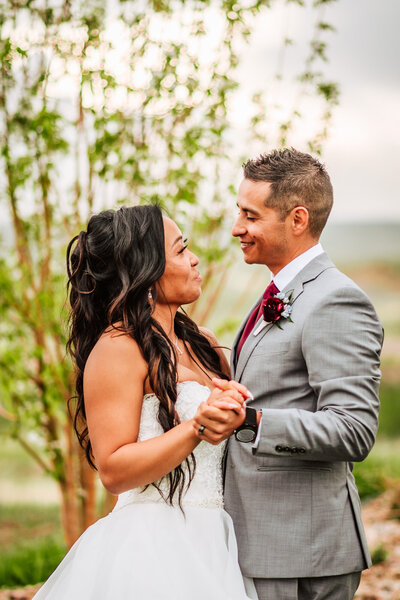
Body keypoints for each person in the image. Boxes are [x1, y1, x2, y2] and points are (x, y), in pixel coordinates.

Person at [33, 205, 258, 600]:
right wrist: (196, 428)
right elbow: (114, 470)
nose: (194, 259)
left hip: (215, 540)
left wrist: (230, 407)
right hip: (152, 547)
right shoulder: (118, 348)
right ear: (147, 271)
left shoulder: (202, 342)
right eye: (180, 250)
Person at [194, 148, 384, 600]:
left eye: (250, 215)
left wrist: (252, 422)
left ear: (297, 220)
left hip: (303, 553)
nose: (237, 227)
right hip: (263, 543)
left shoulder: (336, 301)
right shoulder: (282, 292)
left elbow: (354, 430)